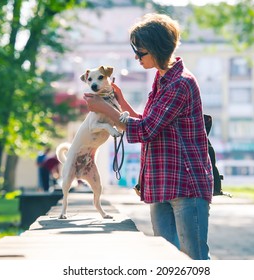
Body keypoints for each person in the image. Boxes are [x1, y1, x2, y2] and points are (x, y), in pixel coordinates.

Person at [83, 13, 213, 260]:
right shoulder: (163, 78)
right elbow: (145, 122)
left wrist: (105, 110)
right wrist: (118, 101)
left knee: (195, 262)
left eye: (141, 52)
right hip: (162, 183)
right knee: (167, 262)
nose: (136, 57)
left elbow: (145, 130)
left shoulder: (180, 84)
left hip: (185, 185)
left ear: (157, 48)